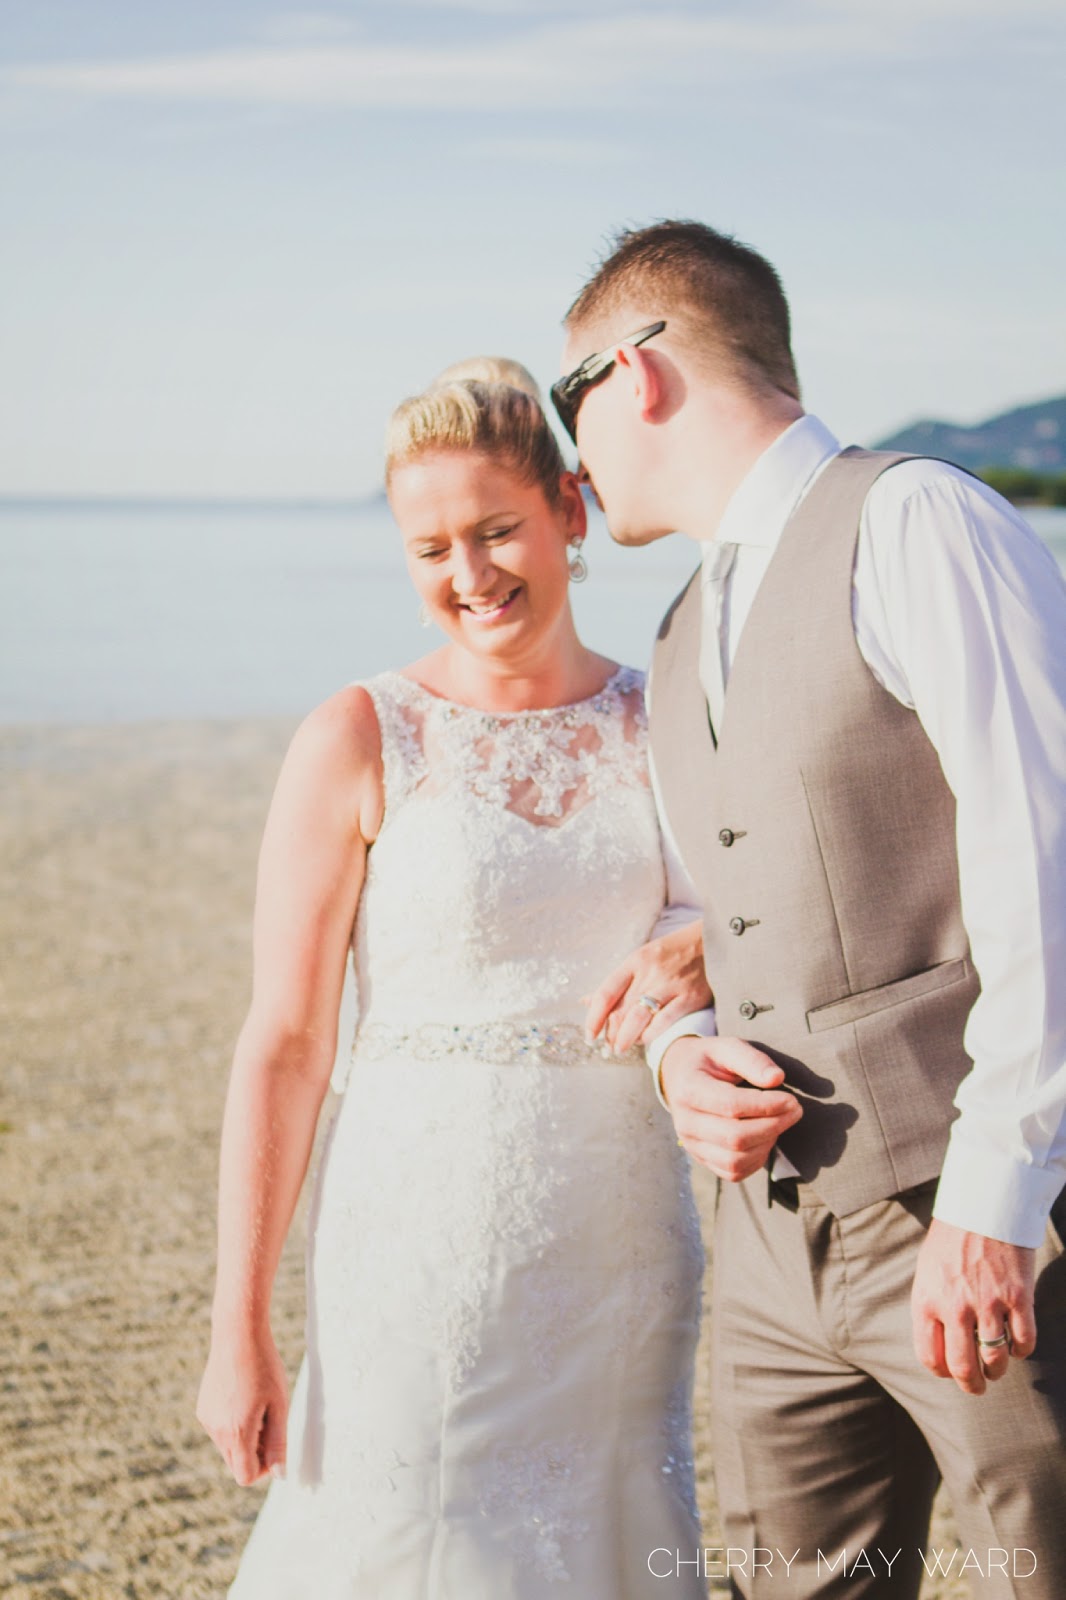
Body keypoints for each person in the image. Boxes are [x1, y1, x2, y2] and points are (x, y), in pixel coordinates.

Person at [558, 220, 1066, 1598]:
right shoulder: (674, 631)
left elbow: (1046, 856)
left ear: (638, 370)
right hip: (772, 1244)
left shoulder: (914, 520)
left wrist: (994, 1200)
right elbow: (729, 903)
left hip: (966, 1214)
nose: (570, 453)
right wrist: (688, 1049)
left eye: (570, 405)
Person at [196, 358, 711, 1597]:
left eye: (496, 530)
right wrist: (239, 1326)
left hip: (622, 1249)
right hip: (412, 1244)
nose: (470, 576)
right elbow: (285, 1042)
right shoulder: (359, 735)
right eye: (430, 548)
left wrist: (718, 939)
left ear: (570, 514)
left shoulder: (670, 724)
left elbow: (752, 910)